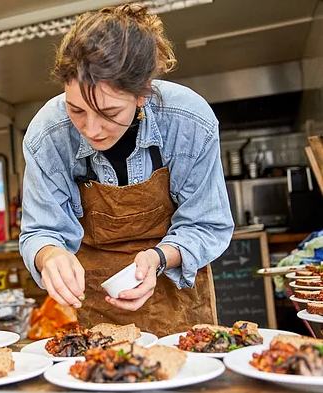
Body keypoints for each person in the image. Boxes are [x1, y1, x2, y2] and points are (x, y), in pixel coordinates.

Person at [20, 4, 234, 337]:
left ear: (143, 93)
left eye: (108, 112)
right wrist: (49, 256)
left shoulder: (189, 120)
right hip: (94, 306)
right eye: (76, 109)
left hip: (176, 298)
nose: (91, 129)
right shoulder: (48, 134)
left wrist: (158, 258)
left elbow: (206, 222)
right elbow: (41, 230)